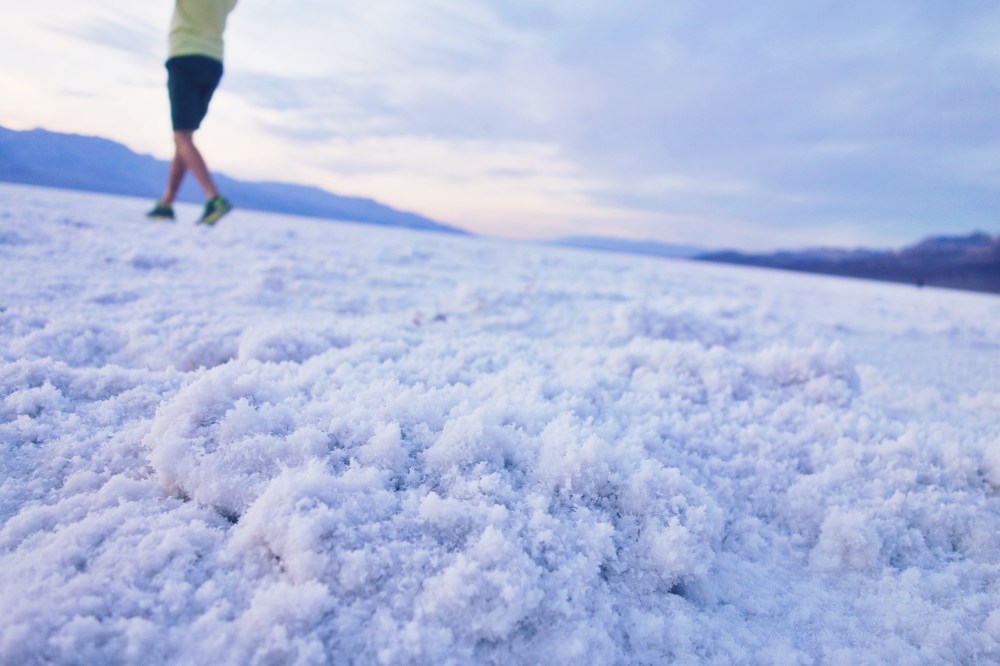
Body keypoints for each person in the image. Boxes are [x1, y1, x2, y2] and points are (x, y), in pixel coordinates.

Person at [148, 0, 238, 225]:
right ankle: (166, 203)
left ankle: (213, 198)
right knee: (185, 136)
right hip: (213, 62)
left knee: (182, 136)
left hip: (185, 54)